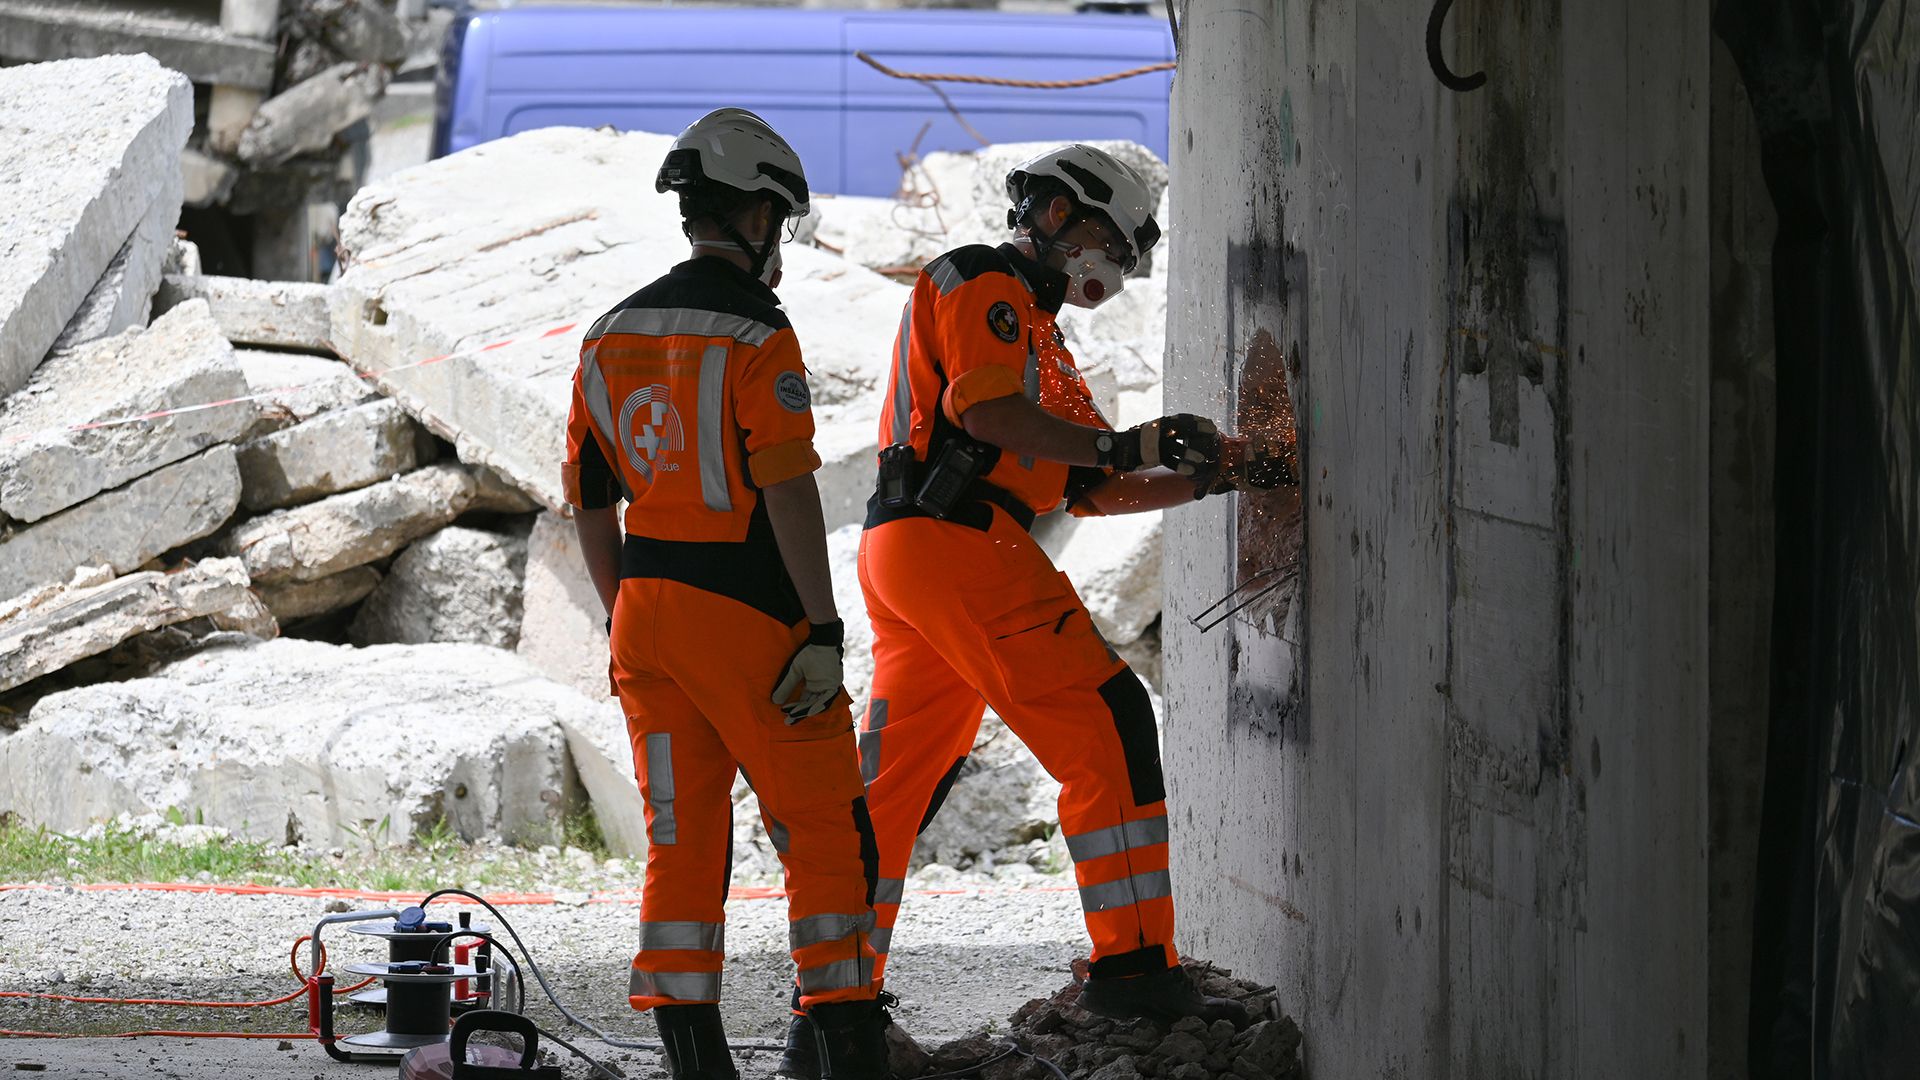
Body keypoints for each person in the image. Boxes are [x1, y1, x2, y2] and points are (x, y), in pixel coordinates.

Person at [782, 143, 1293, 1076]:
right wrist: (1129, 437)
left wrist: (1210, 479)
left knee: (893, 789)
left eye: (1127, 256)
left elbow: (1086, 488)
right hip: (962, 544)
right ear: (1057, 215)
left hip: (912, 550)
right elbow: (987, 418)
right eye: (1107, 240)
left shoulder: (1041, 341)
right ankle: (1135, 966)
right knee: (1108, 721)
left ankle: (830, 1014)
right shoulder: (987, 283)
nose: (1113, 267)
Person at [564, 108, 890, 1080]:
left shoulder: (606, 333)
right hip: (750, 618)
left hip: (646, 618)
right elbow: (787, 489)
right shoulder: (757, 331)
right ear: (754, 215)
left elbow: (588, 506)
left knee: (682, 840)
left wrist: (630, 616)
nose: (779, 241)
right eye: (778, 221)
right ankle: (846, 1050)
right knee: (829, 830)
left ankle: (695, 1060)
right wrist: (822, 627)